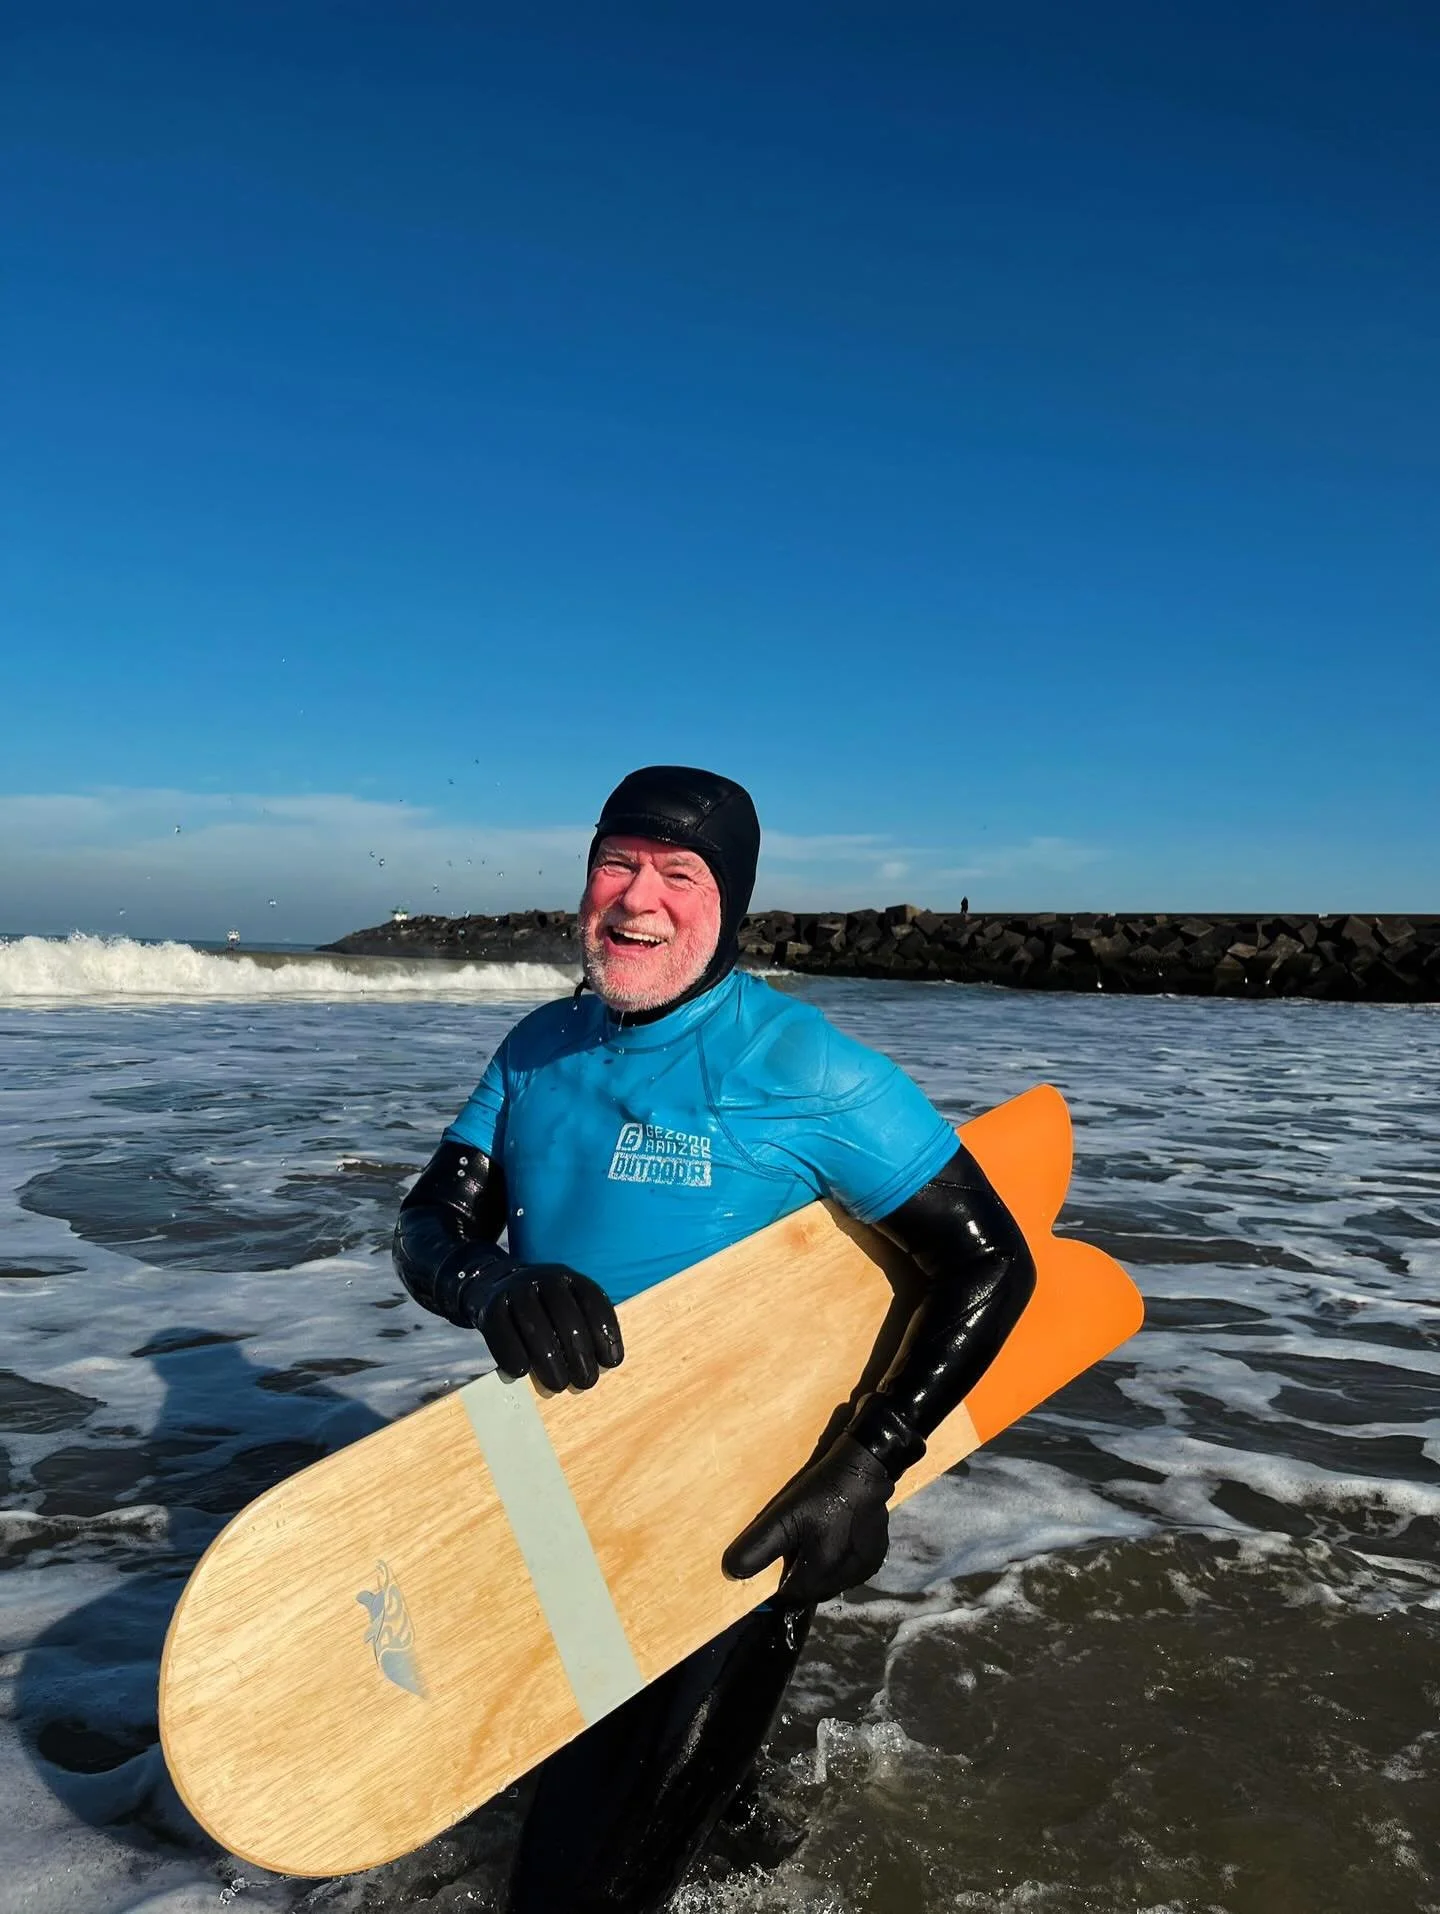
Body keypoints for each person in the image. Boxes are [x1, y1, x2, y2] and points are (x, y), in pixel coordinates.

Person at [393, 765, 1035, 1912]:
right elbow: (428, 1222)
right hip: (561, 1486)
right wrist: (489, 1281)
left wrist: (867, 1465)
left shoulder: (807, 1067)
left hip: (735, 1522)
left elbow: (990, 1261)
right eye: (617, 864)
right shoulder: (538, 1046)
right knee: (620, 1794)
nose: (638, 899)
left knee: (569, 1889)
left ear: (727, 903)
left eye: (678, 874)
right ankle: (751, 1839)